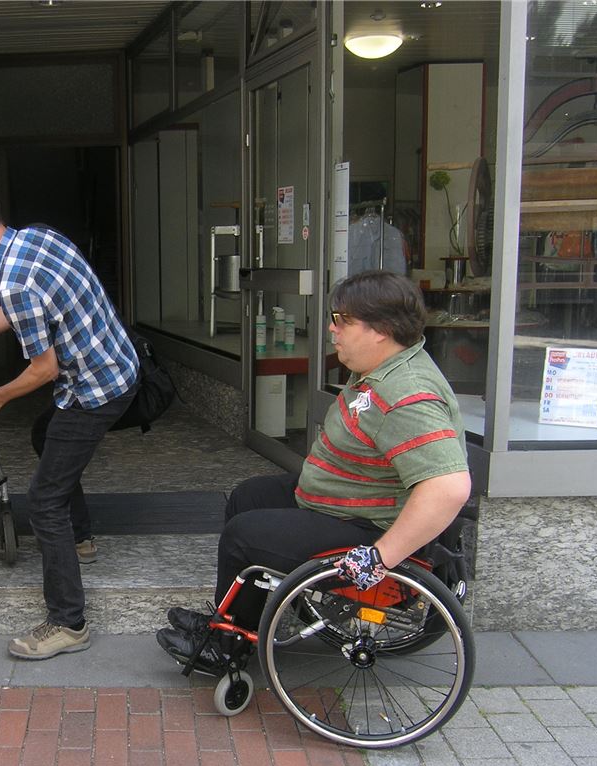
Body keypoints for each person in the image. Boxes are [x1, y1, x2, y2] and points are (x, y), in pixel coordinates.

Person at [157, 269, 472, 670]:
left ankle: (226, 649)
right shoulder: (383, 368)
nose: (331, 328)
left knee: (243, 536)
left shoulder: (407, 395)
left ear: (381, 329)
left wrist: (379, 557)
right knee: (247, 498)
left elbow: (448, 488)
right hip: (346, 502)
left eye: (343, 320)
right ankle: (233, 622)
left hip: (369, 527)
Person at [0, 177, 139, 660]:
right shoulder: (35, 239)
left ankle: (68, 622)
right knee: (46, 435)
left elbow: (44, 369)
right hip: (116, 365)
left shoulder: (14, 278)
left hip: (96, 388)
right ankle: (80, 538)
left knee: (43, 502)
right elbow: (18, 310)